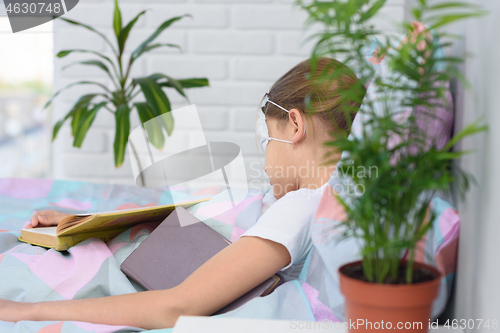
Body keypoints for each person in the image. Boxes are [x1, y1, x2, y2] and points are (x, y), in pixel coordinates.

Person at [0, 57, 364, 329]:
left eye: (267, 138)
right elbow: (202, 224)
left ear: (295, 125)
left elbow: (175, 306)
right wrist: (90, 222)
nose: (266, 159)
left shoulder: (302, 206)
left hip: (103, 275)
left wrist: (25, 311)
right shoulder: (330, 201)